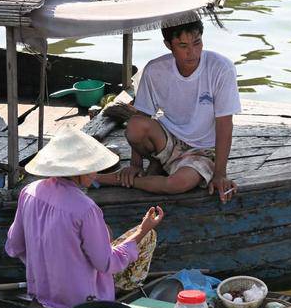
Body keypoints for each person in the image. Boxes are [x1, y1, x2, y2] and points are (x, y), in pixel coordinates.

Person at [5, 127, 164, 308]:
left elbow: (14, 245)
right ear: (77, 172)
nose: (96, 174)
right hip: (83, 302)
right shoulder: (85, 208)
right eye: (91, 169)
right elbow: (106, 263)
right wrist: (142, 229)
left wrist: (46, 265)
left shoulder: (29, 191)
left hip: (41, 293)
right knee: (148, 237)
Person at [97, 19, 241, 203]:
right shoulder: (154, 69)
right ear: (168, 45)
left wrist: (220, 174)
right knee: (135, 126)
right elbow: (142, 115)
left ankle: (116, 180)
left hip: (203, 150)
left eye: (197, 42)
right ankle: (152, 165)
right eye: (183, 45)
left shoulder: (221, 68)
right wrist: (135, 164)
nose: (192, 52)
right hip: (167, 139)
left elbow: (224, 124)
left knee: (177, 184)